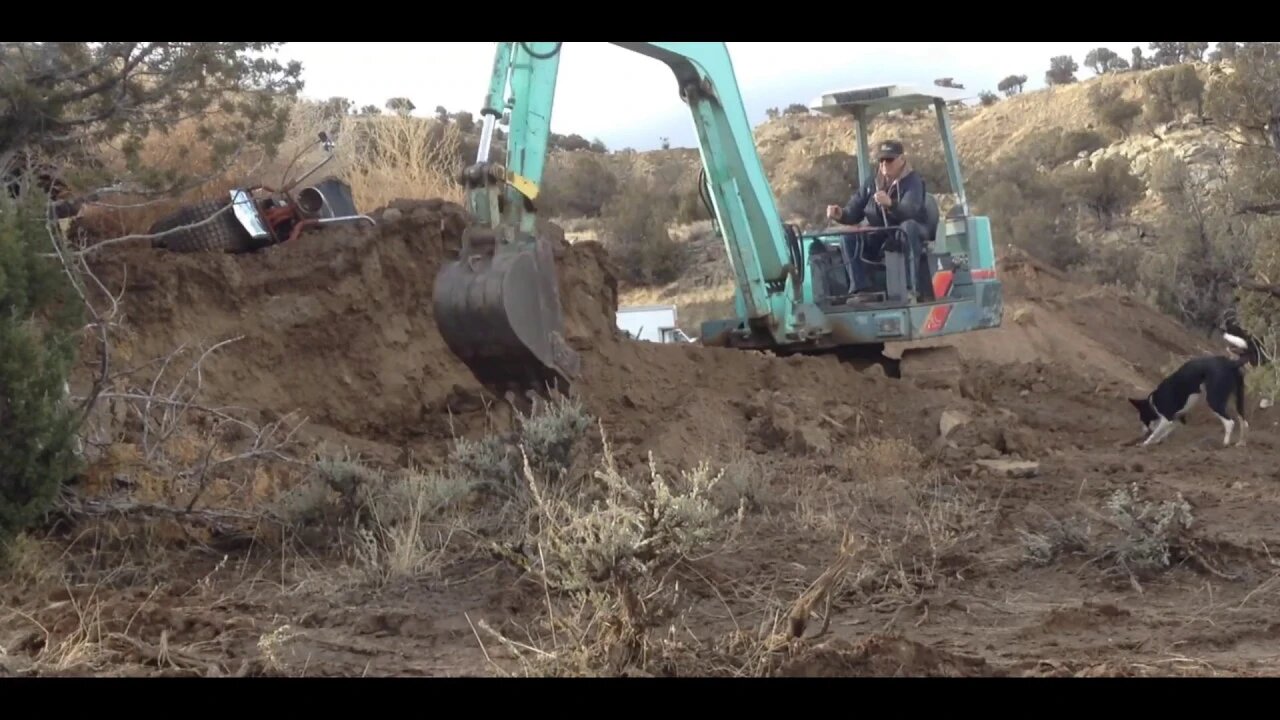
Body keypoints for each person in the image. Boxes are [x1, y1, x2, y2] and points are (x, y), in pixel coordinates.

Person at [824, 140, 935, 301]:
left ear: (901, 160)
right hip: (882, 232)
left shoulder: (913, 181)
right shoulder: (872, 183)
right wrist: (840, 214)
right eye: (881, 160)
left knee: (907, 227)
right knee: (849, 236)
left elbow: (911, 210)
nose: (884, 164)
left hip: (909, 230)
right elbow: (854, 211)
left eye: (889, 160)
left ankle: (912, 288)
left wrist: (891, 204)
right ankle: (861, 289)